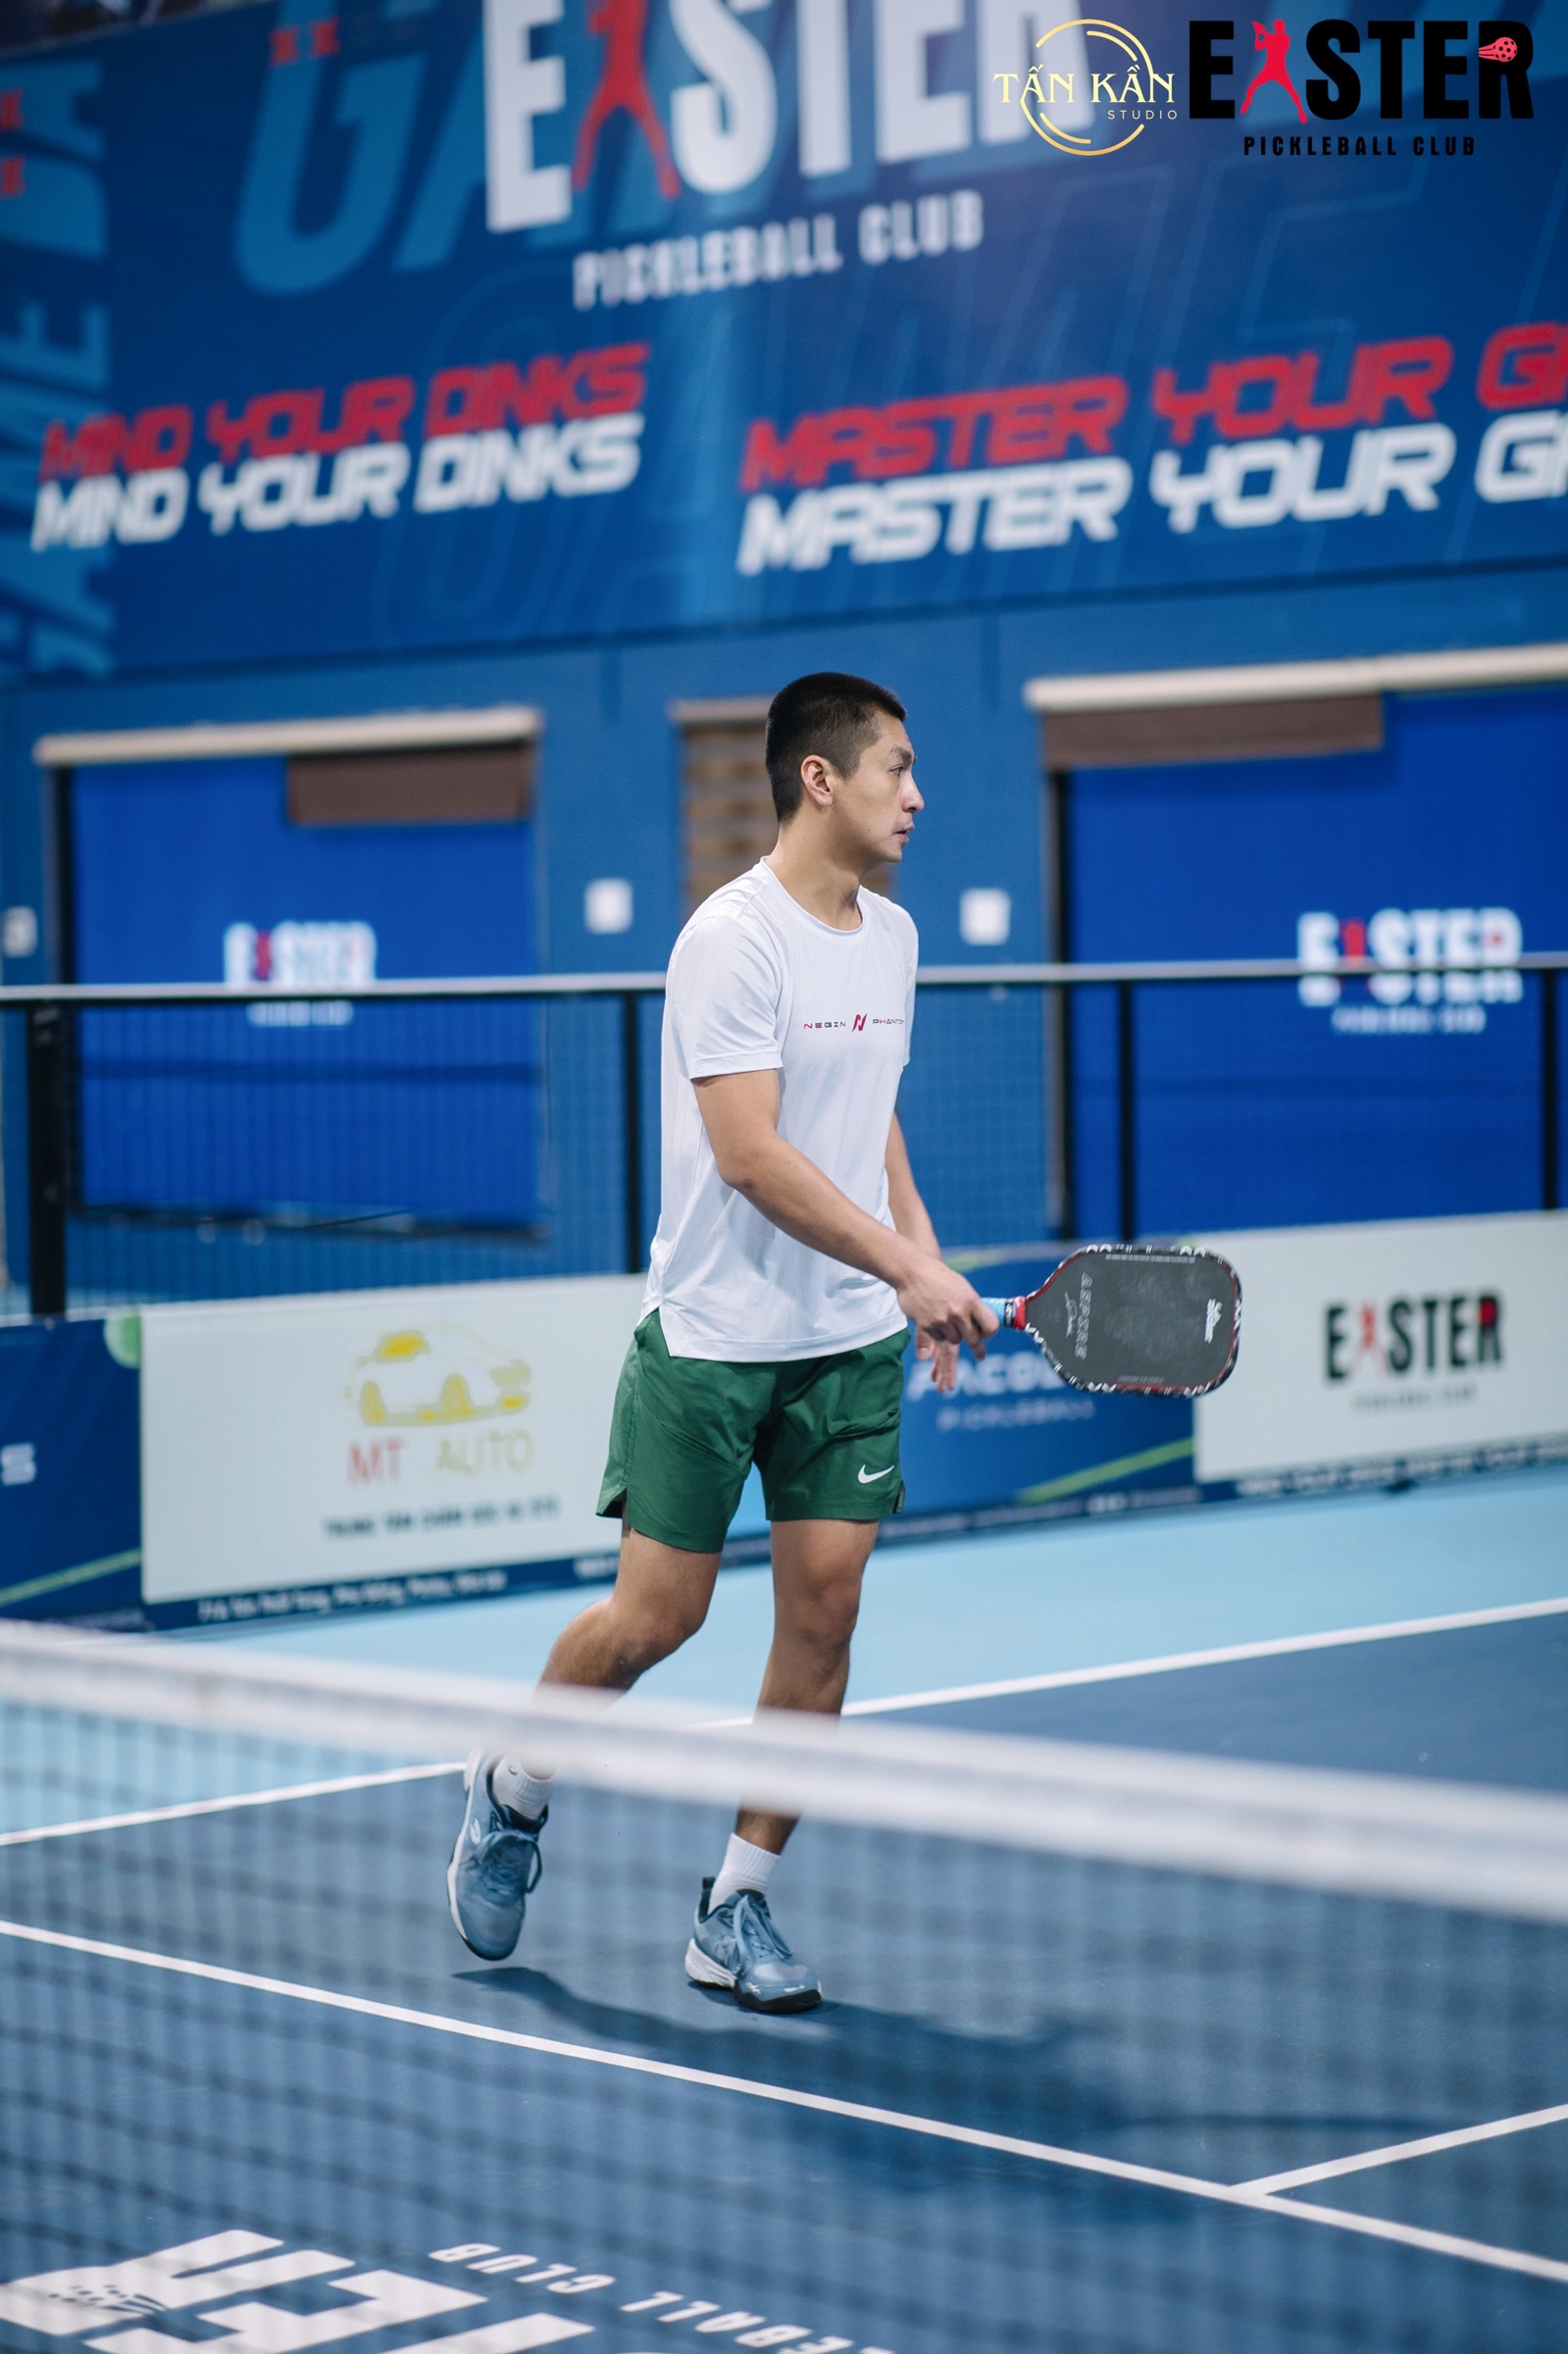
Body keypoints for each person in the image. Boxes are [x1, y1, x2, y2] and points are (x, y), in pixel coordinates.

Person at [447, 673, 996, 2011]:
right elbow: (750, 1154)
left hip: (846, 1343)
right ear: (821, 778)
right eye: (897, 768)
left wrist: (916, 1257)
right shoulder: (730, 940)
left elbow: (868, 1112)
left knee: (826, 1612)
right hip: (710, 1338)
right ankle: (514, 1782)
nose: (918, 796)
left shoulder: (895, 938)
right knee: (657, 1619)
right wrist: (911, 1268)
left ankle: (735, 1906)